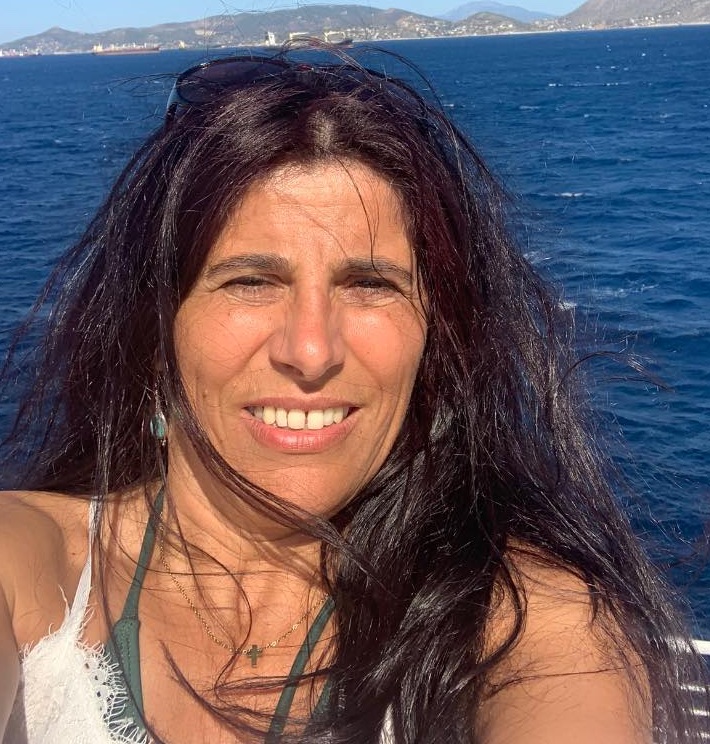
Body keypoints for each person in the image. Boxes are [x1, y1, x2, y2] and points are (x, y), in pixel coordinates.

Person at [0, 43, 706, 744]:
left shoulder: (521, 616)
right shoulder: (32, 561)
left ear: (435, 339)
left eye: (370, 284)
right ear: (158, 331)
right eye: (251, 281)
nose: (311, 351)